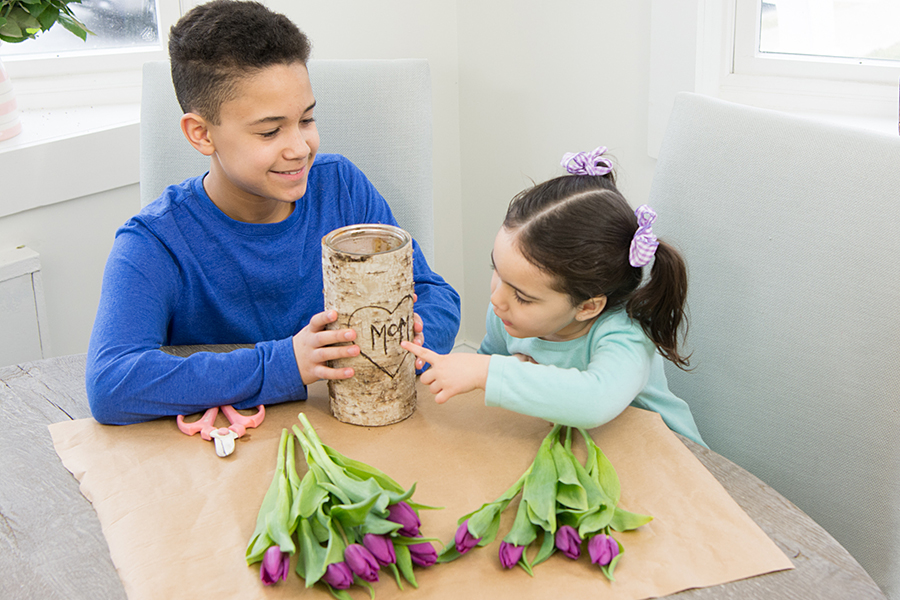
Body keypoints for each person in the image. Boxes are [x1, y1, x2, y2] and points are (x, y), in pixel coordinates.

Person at [86, 0, 460, 424]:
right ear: (201, 134)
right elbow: (112, 382)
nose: (300, 148)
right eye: (269, 131)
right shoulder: (155, 241)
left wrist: (412, 332)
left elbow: (435, 293)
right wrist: (284, 364)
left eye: (307, 119)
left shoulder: (342, 187)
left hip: (351, 431)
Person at [403, 147, 704, 446]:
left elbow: (594, 400)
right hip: (580, 453)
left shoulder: (625, 333)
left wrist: (489, 372)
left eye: (522, 296)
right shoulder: (506, 315)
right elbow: (492, 379)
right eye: (497, 271)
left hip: (669, 461)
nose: (497, 299)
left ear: (588, 306)